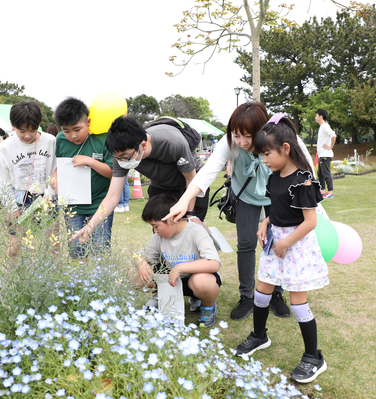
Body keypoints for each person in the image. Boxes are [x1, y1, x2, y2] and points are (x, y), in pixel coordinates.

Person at [165, 102, 298, 321]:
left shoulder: (278, 136)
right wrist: (185, 199)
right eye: (237, 135)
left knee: (278, 241)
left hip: (277, 196)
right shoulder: (229, 143)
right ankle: (247, 296)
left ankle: (276, 293)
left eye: (249, 136)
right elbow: (208, 170)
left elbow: (301, 165)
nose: (243, 142)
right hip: (245, 196)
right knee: (245, 244)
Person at [234, 114, 328, 384]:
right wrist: (266, 222)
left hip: (296, 246)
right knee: (261, 293)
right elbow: (277, 209)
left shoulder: (304, 180)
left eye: (266, 154)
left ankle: (313, 357)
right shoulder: (274, 176)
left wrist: (286, 242)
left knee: (298, 304)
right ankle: (259, 336)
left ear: (285, 149)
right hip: (276, 242)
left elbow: (310, 221)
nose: (263, 160)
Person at [72, 116, 209, 244]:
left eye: (125, 156)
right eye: (117, 157)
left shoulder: (172, 142)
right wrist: (90, 226)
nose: (121, 161)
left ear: (143, 145)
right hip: (161, 187)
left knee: (189, 236)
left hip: (191, 187)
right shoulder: (119, 155)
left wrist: (190, 214)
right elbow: (113, 196)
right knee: (161, 234)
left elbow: (191, 179)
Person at [134, 194, 221, 327]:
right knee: (134, 275)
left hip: (194, 279)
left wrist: (179, 268)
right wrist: (141, 264)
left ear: (172, 219)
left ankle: (208, 307)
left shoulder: (196, 231)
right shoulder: (159, 236)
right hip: (171, 281)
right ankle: (162, 297)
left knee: (202, 282)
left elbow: (214, 263)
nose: (155, 231)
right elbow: (139, 256)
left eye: (156, 226)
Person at [0, 101, 58, 257]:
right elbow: (3, 181)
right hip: (19, 197)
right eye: (22, 131)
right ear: (12, 125)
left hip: (46, 197)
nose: (28, 135)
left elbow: (56, 170)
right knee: (15, 247)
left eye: (33, 129)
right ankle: (11, 279)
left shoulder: (51, 141)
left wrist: (49, 196)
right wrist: (12, 208)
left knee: (52, 244)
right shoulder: (5, 147)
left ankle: (54, 280)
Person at [54, 97, 113, 261]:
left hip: (100, 204)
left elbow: (112, 172)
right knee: (77, 250)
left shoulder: (103, 139)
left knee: (101, 249)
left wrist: (89, 161)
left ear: (88, 122)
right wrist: (55, 179)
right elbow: (58, 166)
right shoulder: (60, 140)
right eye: (66, 130)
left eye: (77, 129)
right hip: (73, 206)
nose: (72, 136)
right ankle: (81, 284)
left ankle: (100, 284)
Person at [315, 109, 336, 198]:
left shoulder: (325, 126)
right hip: (321, 155)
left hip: (325, 155)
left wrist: (330, 146)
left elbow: (333, 135)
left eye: (316, 116)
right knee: (320, 173)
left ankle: (330, 193)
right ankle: (322, 191)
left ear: (321, 116)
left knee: (326, 173)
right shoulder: (322, 127)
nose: (315, 118)